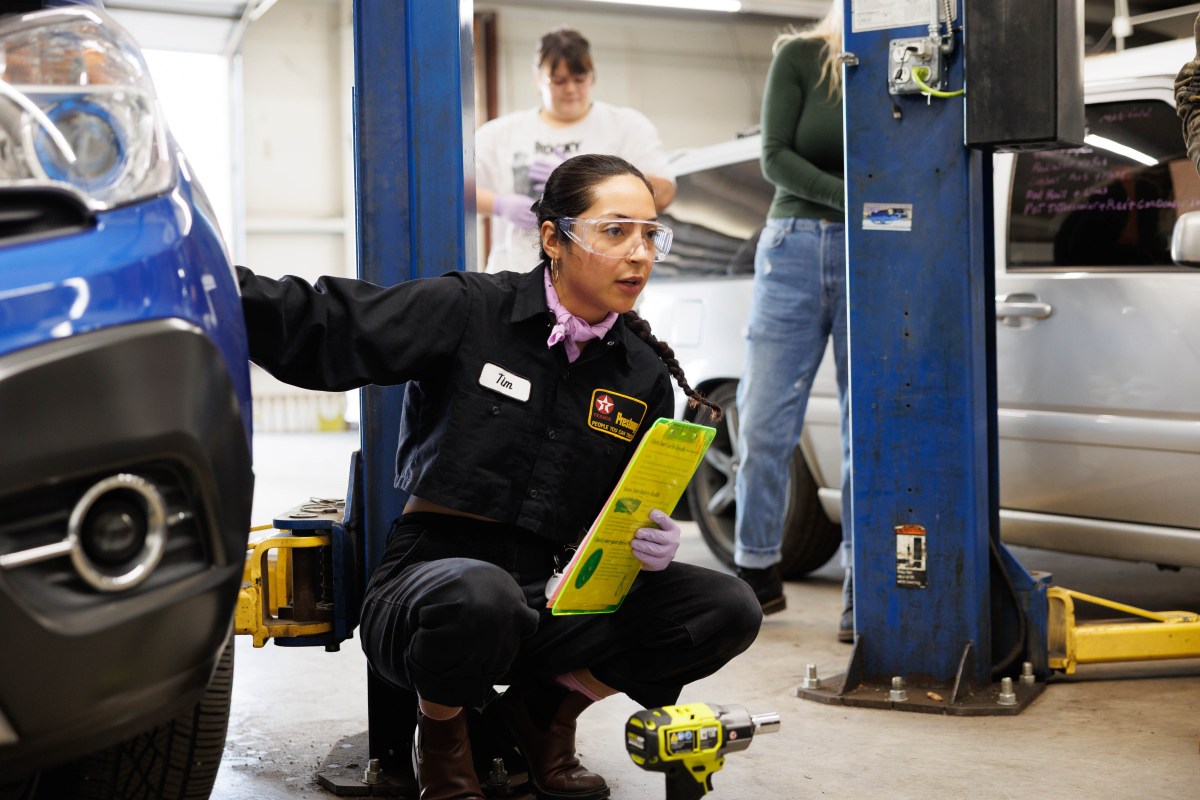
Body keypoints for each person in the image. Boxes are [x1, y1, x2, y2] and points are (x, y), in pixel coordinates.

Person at [237, 154, 763, 800]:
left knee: (726, 607)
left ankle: (545, 718)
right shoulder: (472, 312)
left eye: (651, 234)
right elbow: (334, 325)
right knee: (480, 596)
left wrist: (646, 542)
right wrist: (214, 291)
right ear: (553, 239)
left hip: (554, 592)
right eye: (616, 231)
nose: (640, 254)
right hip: (431, 586)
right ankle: (442, 741)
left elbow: (629, 504)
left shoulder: (643, 375)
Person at [733, 2, 852, 640]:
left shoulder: (909, 65)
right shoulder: (801, 56)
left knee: (868, 430)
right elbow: (775, 157)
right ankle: (756, 569)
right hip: (793, 247)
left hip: (876, 250)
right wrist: (852, 199)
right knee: (765, 420)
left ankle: (867, 587)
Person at [475, 26, 676, 274]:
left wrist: (590, 180)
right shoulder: (500, 133)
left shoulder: (625, 126)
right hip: (517, 276)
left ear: (592, 76)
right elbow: (453, 190)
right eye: (558, 81)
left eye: (579, 80)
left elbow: (665, 193)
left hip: (603, 279)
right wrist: (500, 204)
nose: (570, 90)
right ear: (538, 78)